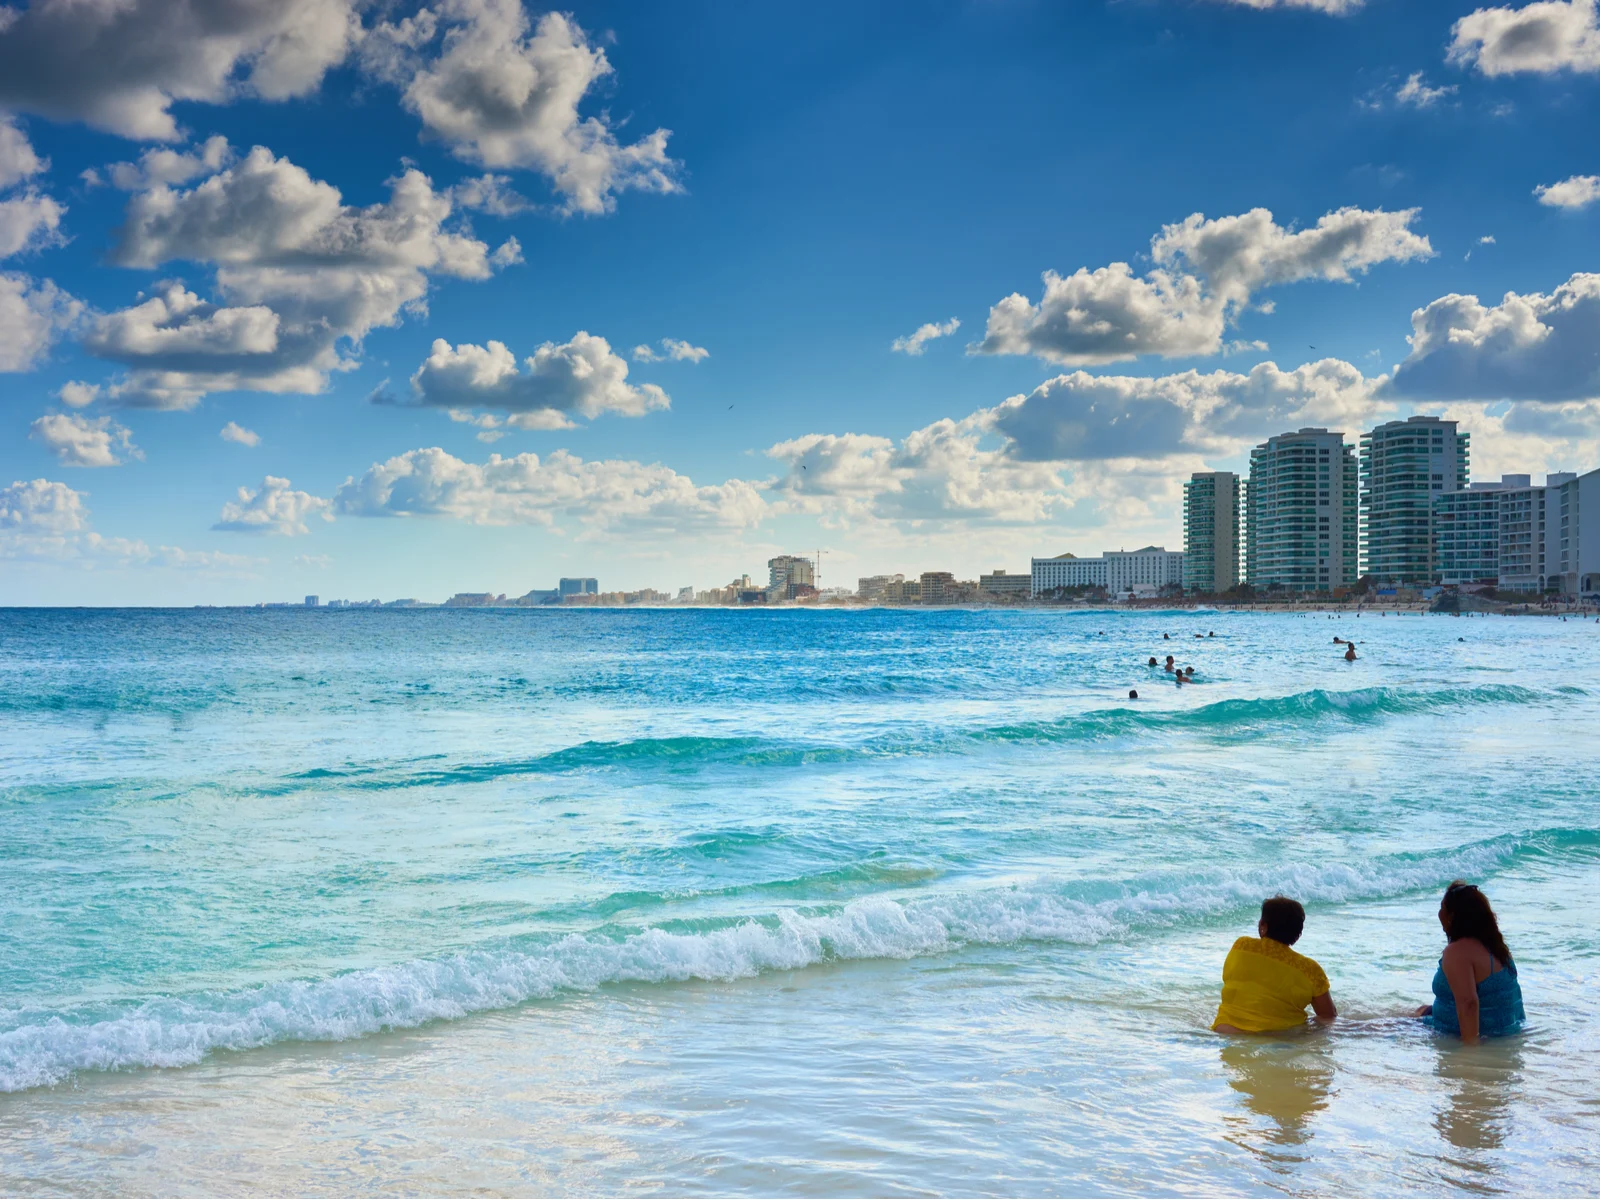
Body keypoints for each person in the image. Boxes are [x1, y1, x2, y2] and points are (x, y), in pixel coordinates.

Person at [1413, 882, 1524, 1043]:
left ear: (1452, 916)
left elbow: (1469, 1003)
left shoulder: (1457, 952)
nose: (1439, 913)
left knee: (1375, 1027)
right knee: (1421, 1010)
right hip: (1506, 1030)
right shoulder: (1497, 947)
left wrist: (1470, 1051)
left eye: (1442, 907)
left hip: (1459, 1032)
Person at [1214, 897, 1336, 1033]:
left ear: (1263, 925)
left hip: (1225, 1030)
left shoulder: (1241, 945)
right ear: (1298, 934)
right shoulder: (1309, 969)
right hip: (1277, 1038)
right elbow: (1328, 1016)